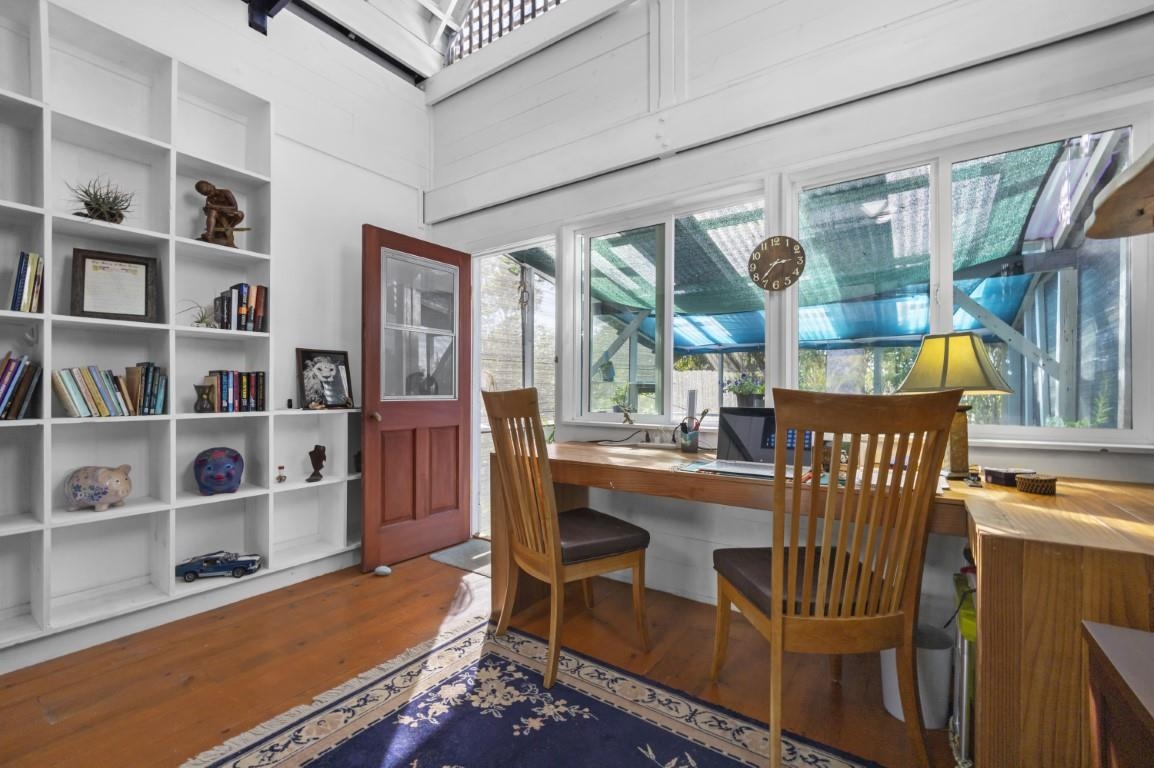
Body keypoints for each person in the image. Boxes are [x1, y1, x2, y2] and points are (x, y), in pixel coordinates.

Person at [195, 179, 245, 247]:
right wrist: (207, 211)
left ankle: (227, 230)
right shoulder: (209, 199)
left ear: (211, 185)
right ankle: (209, 235)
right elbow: (210, 214)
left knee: (240, 214)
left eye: (208, 189)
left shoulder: (225, 192)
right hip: (219, 218)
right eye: (205, 193)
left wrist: (215, 207)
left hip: (230, 216)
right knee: (212, 211)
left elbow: (234, 207)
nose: (210, 194)